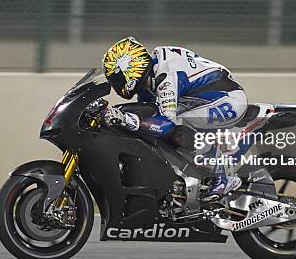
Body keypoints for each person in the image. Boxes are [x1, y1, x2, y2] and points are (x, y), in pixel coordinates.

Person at [101, 36, 248, 201]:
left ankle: (224, 175)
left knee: (180, 130)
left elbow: (167, 125)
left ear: (131, 69)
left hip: (228, 101)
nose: (116, 84)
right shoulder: (151, 75)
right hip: (202, 99)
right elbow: (148, 115)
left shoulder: (165, 76)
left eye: (117, 78)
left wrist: (126, 119)